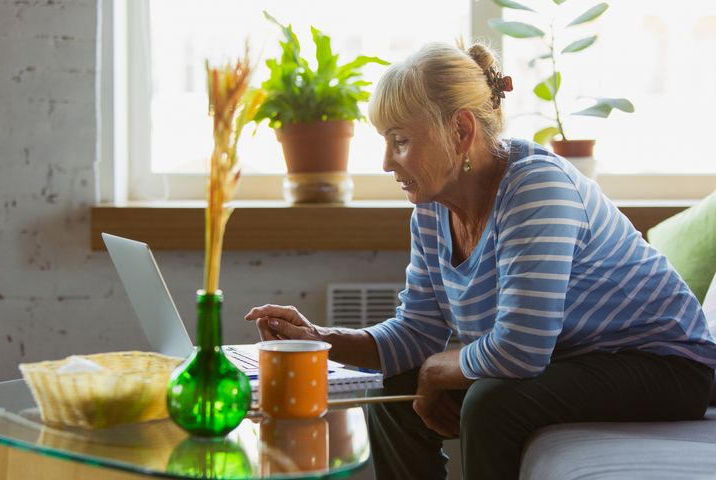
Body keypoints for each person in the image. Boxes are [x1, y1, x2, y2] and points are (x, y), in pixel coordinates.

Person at [244, 41, 716, 479]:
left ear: (462, 130)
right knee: (393, 390)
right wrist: (321, 340)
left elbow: (520, 349)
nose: (387, 162)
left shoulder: (537, 188)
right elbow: (416, 334)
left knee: (493, 400)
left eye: (401, 141)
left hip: (664, 366)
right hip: (573, 360)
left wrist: (436, 371)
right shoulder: (432, 211)